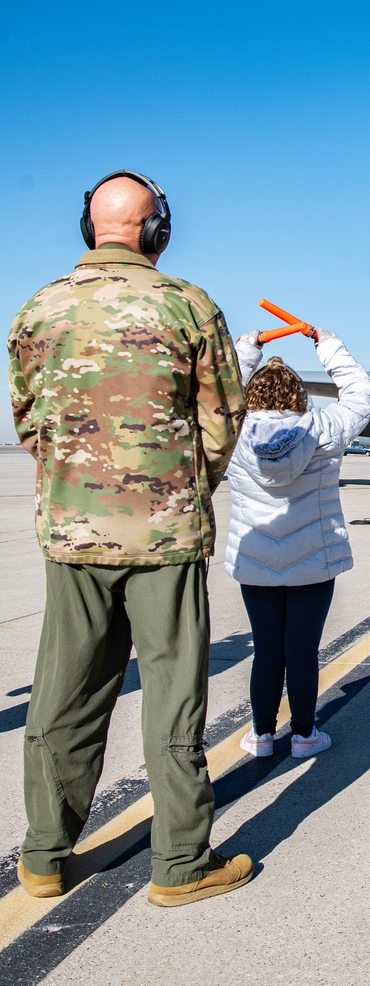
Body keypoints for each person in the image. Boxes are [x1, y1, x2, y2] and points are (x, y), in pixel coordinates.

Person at [7, 169, 252, 908]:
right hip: (165, 535)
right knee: (173, 696)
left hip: (74, 535)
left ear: (91, 228)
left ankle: (45, 856)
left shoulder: (38, 310)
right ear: (155, 231)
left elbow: (28, 419)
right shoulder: (187, 305)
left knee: (64, 692)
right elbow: (223, 419)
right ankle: (180, 865)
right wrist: (180, 488)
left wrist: (78, 484)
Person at [226, 328, 370, 758]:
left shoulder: (232, 430)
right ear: (299, 396)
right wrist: (327, 345)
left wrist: (246, 351)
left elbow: (214, 396)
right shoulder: (325, 428)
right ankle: (305, 736)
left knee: (267, 650)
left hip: (255, 561)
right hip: (314, 560)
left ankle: (261, 735)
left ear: (250, 396)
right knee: (302, 651)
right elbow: (362, 393)